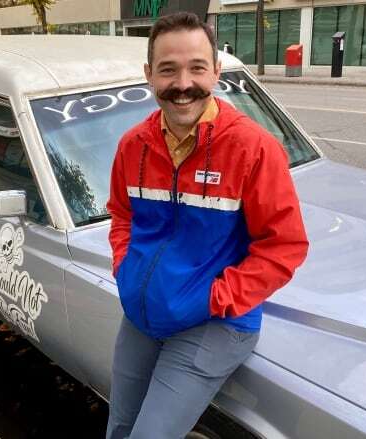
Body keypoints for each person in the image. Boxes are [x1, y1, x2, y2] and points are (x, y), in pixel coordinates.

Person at [105, 12, 309, 439]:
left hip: (215, 322)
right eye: (168, 70)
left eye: (197, 68)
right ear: (149, 75)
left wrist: (214, 297)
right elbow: (122, 215)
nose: (183, 84)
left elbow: (284, 246)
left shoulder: (253, 149)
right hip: (142, 314)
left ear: (216, 71)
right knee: (120, 427)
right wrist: (126, 269)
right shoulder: (132, 146)